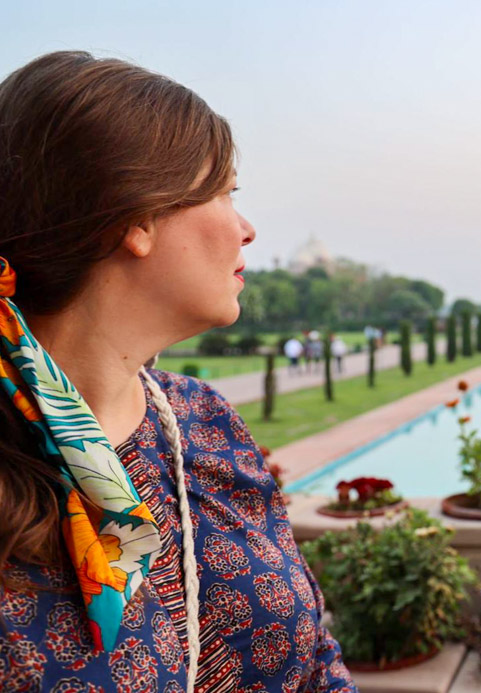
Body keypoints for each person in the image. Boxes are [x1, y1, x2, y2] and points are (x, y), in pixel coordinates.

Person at [0, 51, 355, 692]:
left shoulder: (200, 418)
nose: (246, 229)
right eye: (225, 192)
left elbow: (316, 663)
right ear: (135, 219)